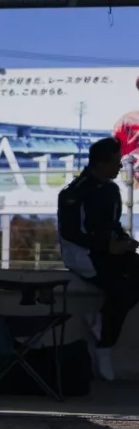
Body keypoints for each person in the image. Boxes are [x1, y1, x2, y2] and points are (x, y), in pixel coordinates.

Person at [58, 136, 139, 380]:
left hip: (107, 253)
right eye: (116, 162)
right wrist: (108, 246)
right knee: (122, 288)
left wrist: (124, 241)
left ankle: (101, 321)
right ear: (101, 164)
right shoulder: (74, 193)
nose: (119, 167)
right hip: (82, 256)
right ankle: (104, 345)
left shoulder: (112, 190)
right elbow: (71, 233)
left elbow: (112, 224)